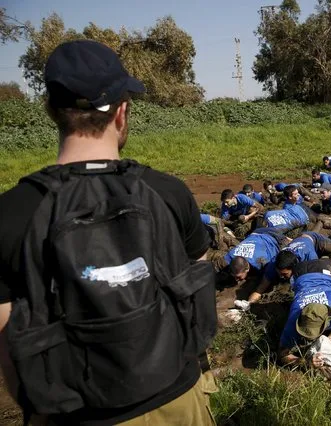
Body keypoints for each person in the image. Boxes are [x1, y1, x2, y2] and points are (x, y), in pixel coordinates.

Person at [0, 40, 216, 425]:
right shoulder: (169, 192)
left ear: (52, 111)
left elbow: (7, 343)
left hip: (77, 414)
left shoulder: (12, 213)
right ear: (122, 112)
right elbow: (196, 297)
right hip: (179, 398)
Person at [278, 259, 331, 366]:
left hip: (324, 269)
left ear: (328, 320)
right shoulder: (293, 320)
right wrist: (304, 362)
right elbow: (282, 354)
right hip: (299, 273)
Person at [214, 228, 288, 285]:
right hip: (257, 233)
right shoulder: (230, 256)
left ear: (247, 269)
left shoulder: (261, 262)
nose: (236, 279)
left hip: (275, 237)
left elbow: (269, 275)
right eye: (235, 276)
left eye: (238, 277)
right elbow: (215, 267)